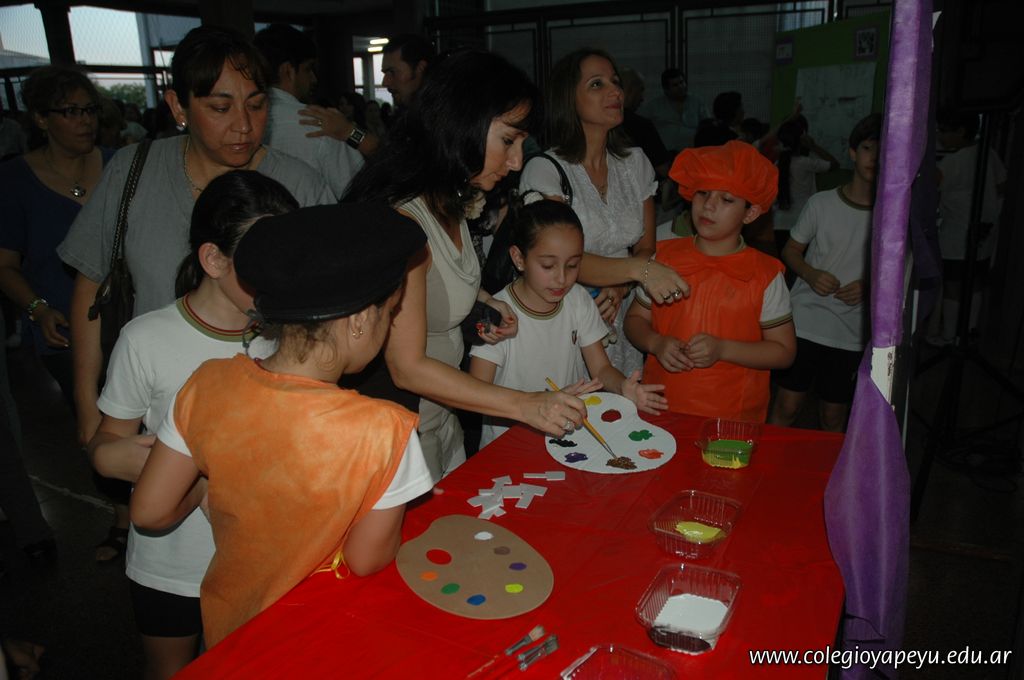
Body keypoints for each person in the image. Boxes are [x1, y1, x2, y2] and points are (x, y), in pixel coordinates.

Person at [57, 26, 332, 559]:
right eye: (220, 107)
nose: (243, 125)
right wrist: (88, 405)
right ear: (178, 106)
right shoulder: (133, 172)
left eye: (256, 105)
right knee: (172, 551)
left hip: (270, 421)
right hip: (158, 410)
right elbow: (92, 284)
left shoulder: (299, 186)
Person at [130, 203, 435, 649]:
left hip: (232, 631)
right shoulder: (385, 430)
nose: (389, 327)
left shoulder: (207, 382)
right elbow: (366, 560)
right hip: (318, 640)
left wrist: (208, 487)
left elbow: (149, 511)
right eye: (390, 313)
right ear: (359, 319)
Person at [86, 171, 294, 679]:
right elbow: (106, 443)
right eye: (263, 259)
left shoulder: (292, 336)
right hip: (171, 564)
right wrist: (135, 457)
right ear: (214, 259)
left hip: (262, 561)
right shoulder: (147, 338)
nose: (282, 274)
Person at [344, 50, 587, 480]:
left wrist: (483, 300)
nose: (516, 162)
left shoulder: (451, 196)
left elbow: (436, 280)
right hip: (399, 428)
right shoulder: (402, 218)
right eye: (508, 141)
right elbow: (406, 367)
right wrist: (524, 404)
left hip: (441, 414)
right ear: (461, 125)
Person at [0, 66, 114, 560]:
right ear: (41, 119)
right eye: (70, 112)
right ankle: (124, 519)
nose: (85, 121)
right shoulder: (14, 180)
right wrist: (38, 308)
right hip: (66, 330)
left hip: (130, 319)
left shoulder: (118, 165)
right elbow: (5, 264)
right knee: (100, 424)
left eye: (89, 110)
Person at [519, 48, 689, 379]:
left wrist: (622, 288)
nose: (615, 92)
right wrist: (638, 271)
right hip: (565, 312)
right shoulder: (545, 170)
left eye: (615, 82)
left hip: (619, 310)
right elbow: (559, 259)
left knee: (619, 401)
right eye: (597, 84)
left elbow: (646, 247)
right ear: (568, 98)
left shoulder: (635, 163)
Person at [469, 200, 667, 447]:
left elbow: (601, 369)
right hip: (508, 444)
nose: (562, 278)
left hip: (564, 439)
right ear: (519, 258)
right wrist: (538, 402)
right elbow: (476, 393)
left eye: (573, 265)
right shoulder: (497, 314)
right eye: (548, 266)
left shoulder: (577, 299)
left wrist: (623, 388)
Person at [624, 140, 796, 422]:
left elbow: (784, 351)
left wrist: (723, 349)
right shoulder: (663, 259)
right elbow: (634, 321)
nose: (709, 205)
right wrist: (655, 342)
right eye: (703, 193)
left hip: (732, 418)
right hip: (660, 406)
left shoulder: (765, 274)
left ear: (750, 213)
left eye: (727, 199)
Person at [769, 113, 880, 432]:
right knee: (787, 406)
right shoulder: (821, 203)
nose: (874, 158)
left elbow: (900, 272)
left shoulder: (889, 216)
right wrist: (810, 273)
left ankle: (835, 467)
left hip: (851, 330)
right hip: (805, 321)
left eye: (883, 151)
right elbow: (791, 251)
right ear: (853, 153)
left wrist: (869, 286)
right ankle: (769, 461)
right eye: (868, 148)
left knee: (834, 415)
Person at [255, 24, 370, 199]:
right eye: (308, 69)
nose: (313, 79)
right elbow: (359, 194)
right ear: (288, 71)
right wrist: (350, 132)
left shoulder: (244, 124)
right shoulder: (322, 124)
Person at [926, 107, 1006, 345]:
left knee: (953, 286)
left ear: (961, 131)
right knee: (975, 283)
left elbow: (932, 188)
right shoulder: (988, 153)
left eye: (944, 131)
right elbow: (1002, 185)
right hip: (985, 231)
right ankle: (968, 333)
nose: (940, 136)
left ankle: (950, 336)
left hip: (957, 233)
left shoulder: (953, 162)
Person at [773, 117, 839, 248]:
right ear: (801, 142)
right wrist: (813, 146)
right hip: (802, 220)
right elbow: (834, 164)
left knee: (784, 258)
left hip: (780, 221)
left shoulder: (777, 164)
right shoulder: (805, 163)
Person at [638, 67, 708, 154]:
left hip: (692, 153)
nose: (680, 87)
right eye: (675, 85)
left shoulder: (697, 102)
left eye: (682, 82)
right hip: (665, 154)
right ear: (666, 89)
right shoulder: (653, 106)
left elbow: (707, 125)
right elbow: (641, 126)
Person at [617, 67, 671, 178]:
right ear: (630, 90)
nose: (642, 98)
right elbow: (663, 169)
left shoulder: (597, 124)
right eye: (641, 90)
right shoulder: (642, 126)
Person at [381, 34, 434, 108]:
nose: (385, 83)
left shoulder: (445, 112)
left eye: (392, 72)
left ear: (420, 68)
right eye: (385, 73)